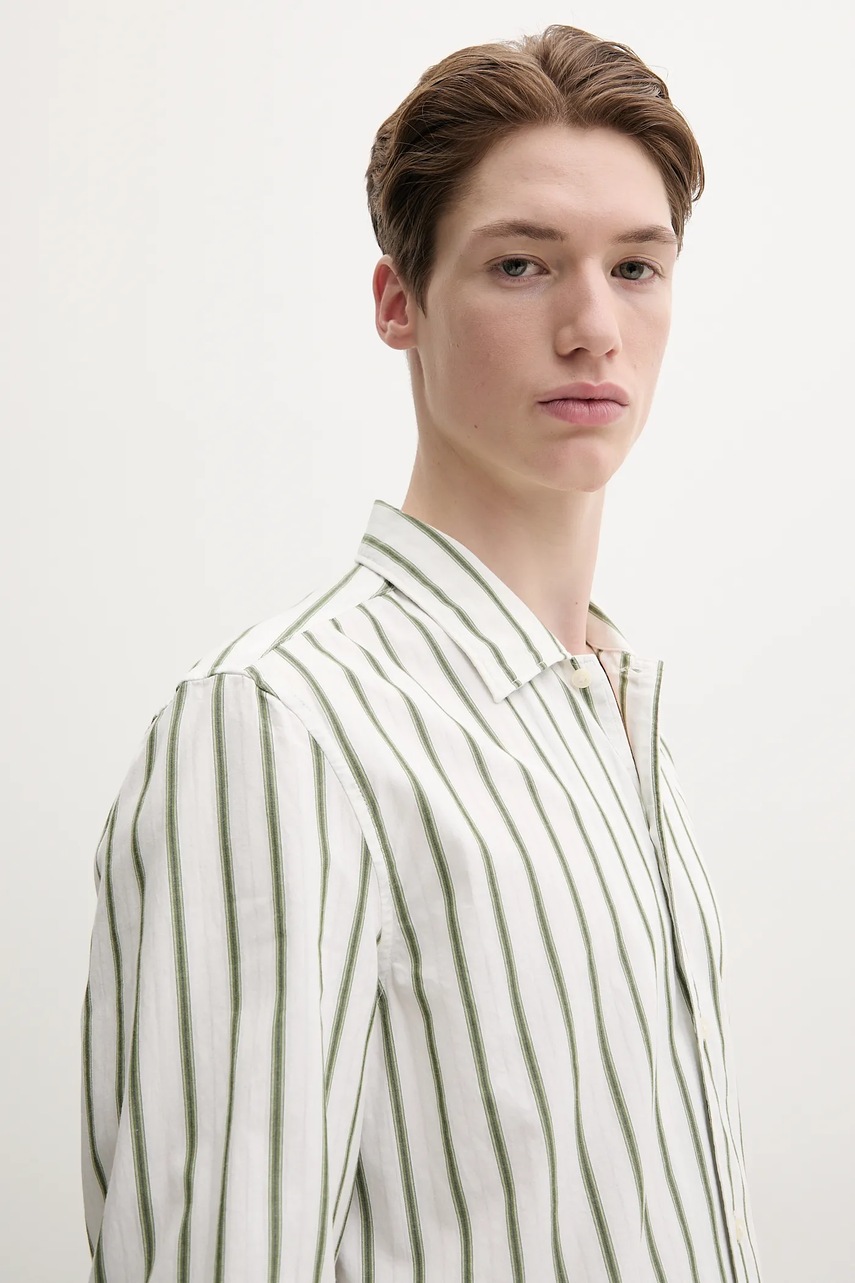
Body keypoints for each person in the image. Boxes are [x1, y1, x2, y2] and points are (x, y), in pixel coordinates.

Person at [81, 23, 764, 1283]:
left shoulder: (617, 715)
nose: (593, 326)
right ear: (399, 301)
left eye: (635, 266)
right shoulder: (283, 726)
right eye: (521, 264)